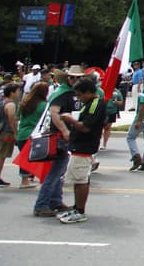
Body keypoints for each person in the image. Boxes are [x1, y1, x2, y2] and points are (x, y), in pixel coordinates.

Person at [54, 77, 106, 223]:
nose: (79, 98)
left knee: (81, 179)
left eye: (81, 95)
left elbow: (86, 126)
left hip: (85, 146)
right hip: (80, 145)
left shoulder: (96, 104)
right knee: (78, 179)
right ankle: (77, 207)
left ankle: (80, 211)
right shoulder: (89, 103)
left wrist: (71, 120)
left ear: (89, 92)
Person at [33, 67, 81, 217]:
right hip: (60, 136)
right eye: (72, 77)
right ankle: (42, 204)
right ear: (67, 78)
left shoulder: (69, 92)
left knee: (60, 171)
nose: (75, 80)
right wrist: (65, 131)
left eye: (78, 78)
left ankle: (55, 201)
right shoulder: (62, 93)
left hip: (64, 134)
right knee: (56, 171)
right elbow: (54, 113)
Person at [0, 82, 20, 187]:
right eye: (17, 91)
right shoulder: (11, 104)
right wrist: (15, 132)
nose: (18, 93)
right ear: (12, 93)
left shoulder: (2, 102)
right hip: (7, 132)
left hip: (0, 130)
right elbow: (12, 119)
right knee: (1, 156)